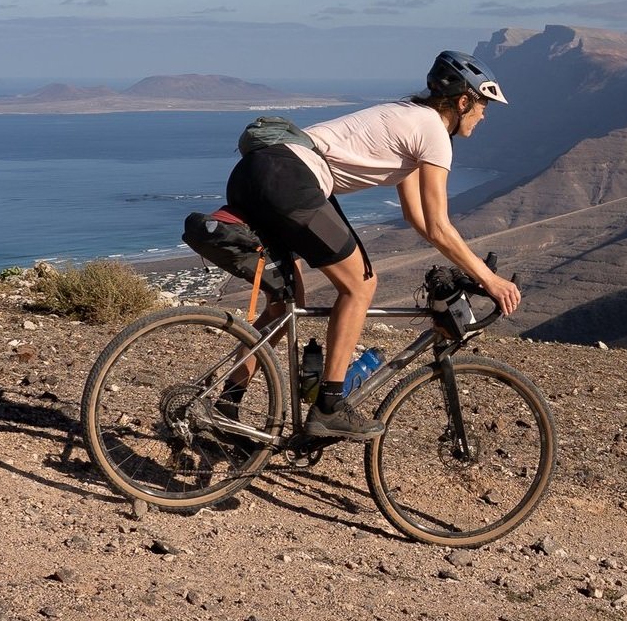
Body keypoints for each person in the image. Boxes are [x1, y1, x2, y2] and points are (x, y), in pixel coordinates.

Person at [223, 49, 522, 439]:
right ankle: (329, 406)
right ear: (463, 100)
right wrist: (489, 279)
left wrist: (474, 271)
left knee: (286, 300)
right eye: (482, 105)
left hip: (254, 171)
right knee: (361, 285)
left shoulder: (408, 117)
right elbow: (437, 224)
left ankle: (223, 403)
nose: (484, 115)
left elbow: (417, 218)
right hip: (290, 177)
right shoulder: (433, 132)